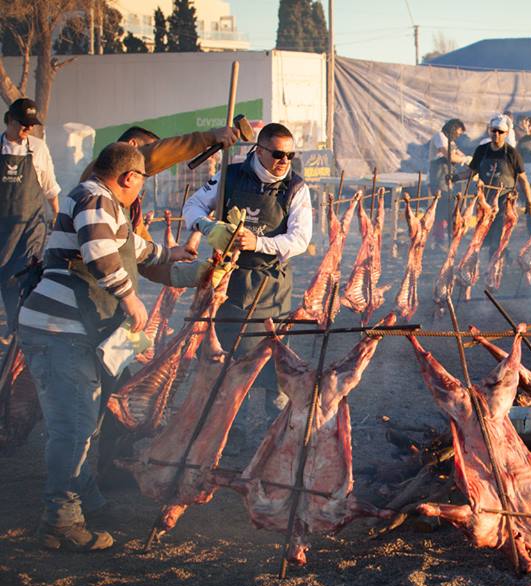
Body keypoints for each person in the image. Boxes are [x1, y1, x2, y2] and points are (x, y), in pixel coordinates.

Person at [18, 143, 196, 551]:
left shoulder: (105, 205)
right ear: (129, 177)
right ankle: (60, 520)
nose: (141, 193)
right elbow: (100, 254)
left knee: (86, 420)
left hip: (75, 332)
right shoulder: (95, 196)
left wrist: (176, 255)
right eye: (141, 184)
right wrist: (131, 298)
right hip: (58, 332)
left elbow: (135, 250)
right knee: (74, 427)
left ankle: (87, 501)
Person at [183, 122, 312, 431]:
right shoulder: (230, 175)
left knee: (273, 357)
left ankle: (276, 426)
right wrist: (208, 227)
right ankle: (230, 427)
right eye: (278, 154)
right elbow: (193, 205)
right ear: (260, 149)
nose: (284, 161)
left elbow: (300, 239)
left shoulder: (295, 187)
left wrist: (259, 243)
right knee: (228, 359)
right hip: (231, 281)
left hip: (270, 283)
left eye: (290, 155)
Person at [81, 124, 240, 240]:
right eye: (149, 146)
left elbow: (139, 241)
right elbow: (154, 156)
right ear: (132, 145)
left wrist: (170, 261)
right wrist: (210, 137)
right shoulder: (102, 170)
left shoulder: (126, 197)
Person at [0, 98, 61, 334]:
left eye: (32, 125)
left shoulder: (38, 147)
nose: (28, 129)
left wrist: (57, 215)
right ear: (10, 120)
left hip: (30, 227)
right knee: (5, 278)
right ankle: (14, 327)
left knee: (27, 275)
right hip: (3, 229)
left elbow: (49, 186)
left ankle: (25, 329)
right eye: (24, 124)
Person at [469, 114, 531, 251]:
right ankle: (496, 253)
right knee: (483, 229)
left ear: (506, 134)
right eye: (494, 131)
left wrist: (530, 202)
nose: (496, 134)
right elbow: (471, 171)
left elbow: (523, 180)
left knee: (498, 228)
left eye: (500, 132)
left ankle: (495, 258)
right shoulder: (482, 150)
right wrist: (456, 177)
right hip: (485, 197)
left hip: (505, 197)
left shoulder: (512, 153)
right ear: (490, 131)